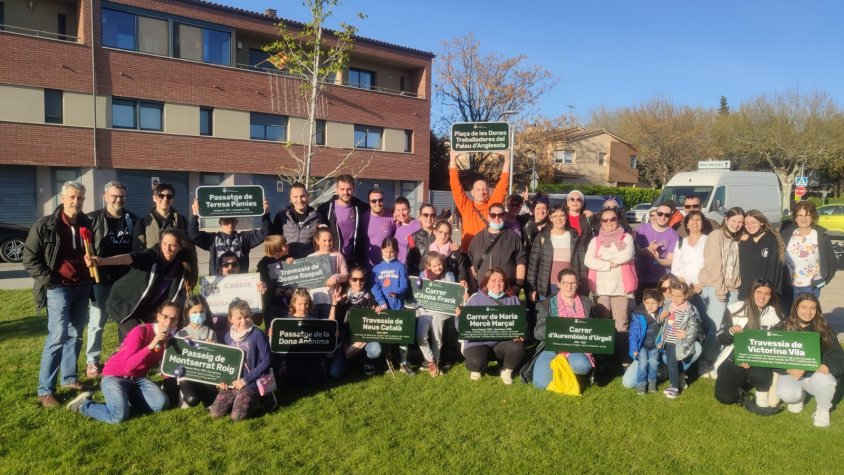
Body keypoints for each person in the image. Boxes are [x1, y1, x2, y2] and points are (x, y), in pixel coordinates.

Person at [23, 181, 94, 407]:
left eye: (80, 198)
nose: (76, 202)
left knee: (76, 335)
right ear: (62, 198)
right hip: (58, 288)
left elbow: (92, 251)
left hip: (82, 287)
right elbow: (30, 259)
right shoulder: (45, 225)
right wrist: (50, 280)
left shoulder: (87, 223)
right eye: (72, 197)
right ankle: (45, 390)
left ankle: (70, 378)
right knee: (57, 337)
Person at [66, 302, 180, 423]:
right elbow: (129, 366)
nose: (168, 322)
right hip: (115, 376)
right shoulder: (141, 331)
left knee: (161, 404)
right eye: (165, 316)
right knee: (118, 417)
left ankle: (126, 400)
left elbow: (167, 367)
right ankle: (85, 405)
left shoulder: (171, 340)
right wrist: (151, 346)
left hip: (138, 378)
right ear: (158, 316)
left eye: (174, 319)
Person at [89, 228, 194, 342]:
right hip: (126, 303)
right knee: (140, 337)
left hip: (150, 308)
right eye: (164, 243)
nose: (167, 249)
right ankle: (125, 355)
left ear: (179, 247)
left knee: (161, 334)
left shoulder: (181, 266)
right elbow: (129, 258)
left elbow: (177, 295)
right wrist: (103, 261)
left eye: (172, 245)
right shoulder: (151, 255)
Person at [85, 181, 138, 379]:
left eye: (122, 196)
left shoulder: (131, 219)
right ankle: (92, 361)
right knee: (97, 321)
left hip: (126, 279)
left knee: (124, 320)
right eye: (114, 196)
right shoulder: (92, 219)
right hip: (101, 279)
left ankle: (123, 356)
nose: (118, 200)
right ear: (105, 196)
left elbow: (137, 248)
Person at [713, 279, 784, 415]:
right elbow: (721, 337)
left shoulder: (775, 315)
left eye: (767, 294)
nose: (762, 297)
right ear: (752, 292)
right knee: (725, 397)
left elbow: (777, 345)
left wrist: (753, 359)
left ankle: (762, 393)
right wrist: (731, 332)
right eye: (758, 292)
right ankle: (742, 389)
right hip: (733, 356)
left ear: (771, 296)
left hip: (760, 359)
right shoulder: (734, 309)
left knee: (760, 373)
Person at [775, 293, 844, 428]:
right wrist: (787, 369)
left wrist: (828, 366)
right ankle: (797, 398)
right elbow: (772, 356)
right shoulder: (783, 327)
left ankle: (823, 410)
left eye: (812, 308)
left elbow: (838, 355)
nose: (808, 312)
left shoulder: (824, 328)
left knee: (826, 380)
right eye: (803, 307)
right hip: (793, 375)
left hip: (815, 375)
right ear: (796, 308)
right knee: (787, 394)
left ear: (817, 310)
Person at [698, 207, 745, 378]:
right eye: (733, 221)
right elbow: (712, 263)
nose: (736, 225)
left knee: (728, 327)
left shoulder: (736, 238)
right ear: (726, 219)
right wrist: (719, 288)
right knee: (716, 326)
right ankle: (704, 360)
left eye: (740, 222)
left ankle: (717, 359)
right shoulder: (716, 235)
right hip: (716, 286)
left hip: (733, 288)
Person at [584, 207, 636, 360]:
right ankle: (604, 358)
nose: (609, 222)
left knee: (621, 324)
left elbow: (626, 256)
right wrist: (608, 265)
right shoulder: (595, 240)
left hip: (621, 289)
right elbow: (589, 260)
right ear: (601, 222)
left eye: (612, 219)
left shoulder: (626, 238)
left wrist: (603, 256)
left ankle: (623, 358)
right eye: (605, 220)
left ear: (617, 219)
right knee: (602, 324)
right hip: (600, 290)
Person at [531, 269, 596, 390]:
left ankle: (577, 375)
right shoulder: (546, 304)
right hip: (552, 348)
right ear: (559, 284)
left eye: (573, 283)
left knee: (582, 365)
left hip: (578, 348)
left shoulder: (587, 303)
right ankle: (563, 370)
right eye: (565, 283)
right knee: (540, 385)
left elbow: (595, 329)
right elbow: (537, 333)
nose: (569, 286)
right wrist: (557, 326)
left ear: (577, 284)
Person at [458, 267, 525, 384]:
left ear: (505, 283)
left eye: (501, 280)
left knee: (517, 348)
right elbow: (460, 327)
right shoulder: (475, 299)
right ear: (486, 282)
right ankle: (476, 369)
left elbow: (520, 323)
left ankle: (506, 371)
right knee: (475, 362)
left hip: (502, 340)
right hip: (478, 341)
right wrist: (460, 317)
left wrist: (519, 333)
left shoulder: (513, 299)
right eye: (493, 280)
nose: (497, 283)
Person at [209, 299, 272, 421]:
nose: (244, 321)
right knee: (215, 414)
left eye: (247, 316)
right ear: (230, 319)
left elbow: (267, 360)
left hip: (252, 383)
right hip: (233, 384)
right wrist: (223, 380)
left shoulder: (257, 334)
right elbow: (225, 362)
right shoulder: (227, 337)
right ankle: (236, 400)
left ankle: (260, 401)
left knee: (236, 417)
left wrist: (246, 380)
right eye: (239, 318)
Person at [133, 183, 197, 285]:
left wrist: (192, 276)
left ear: (172, 199)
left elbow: (190, 250)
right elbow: (138, 251)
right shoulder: (143, 222)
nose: (165, 199)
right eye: (161, 196)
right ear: (154, 198)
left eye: (169, 196)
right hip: (153, 274)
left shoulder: (181, 221)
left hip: (176, 275)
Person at [414, 252, 466, 377]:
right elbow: (417, 291)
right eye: (434, 265)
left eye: (440, 264)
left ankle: (435, 363)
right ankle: (430, 360)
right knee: (420, 336)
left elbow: (454, 294)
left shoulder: (449, 275)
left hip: (440, 312)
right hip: (425, 311)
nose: (438, 268)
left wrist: (461, 289)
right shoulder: (422, 275)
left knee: (437, 340)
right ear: (428, 266)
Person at [188, 197, 270, 275]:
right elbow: (193, 235)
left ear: (236, 222)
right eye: (226, 221)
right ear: (221, 223)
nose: (230, 224)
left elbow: (265, 232)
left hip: (241, 282)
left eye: (233, 221)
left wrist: (265, 213)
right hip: (218, 281)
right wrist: (195, 214)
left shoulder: (245, 238)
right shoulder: (212, 238)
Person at [448, 150, 511, 252]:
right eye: (478, 189)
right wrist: (452, 158)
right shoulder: (465, 206)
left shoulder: (492, 206)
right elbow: (455, 185)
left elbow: (503, 185)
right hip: (467, 252)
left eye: (485, 189)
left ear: (488, 192)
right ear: (472, 192)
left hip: (488, 253)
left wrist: (507, 160)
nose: (482, 192)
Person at [328, 267, 383, 377]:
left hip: (363, 339)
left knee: (375, 349)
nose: (358, 282)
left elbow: (374, 326)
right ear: (349, 280)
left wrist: (377, 312)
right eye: (355, 279)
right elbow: (331, 323)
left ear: (365, 280)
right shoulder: (342, 298)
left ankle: (367, 362)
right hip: (345, 341)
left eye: (361, 279)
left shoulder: (370, 298)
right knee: (335, 373)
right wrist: (334, 304)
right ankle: (353, 360)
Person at [165, 295, 218, 408]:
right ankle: (183, 394)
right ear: (188, 313)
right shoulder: (181, 333)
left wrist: (212, 348)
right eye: (194, 312)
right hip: (186, 374)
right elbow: (175, 357)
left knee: (212, 402)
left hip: (204, 374)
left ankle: (203, 394)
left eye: (201, 312)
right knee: (192, 400)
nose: (198, 315)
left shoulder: (210, 332)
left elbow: (215, 359)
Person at [782, 201, 838, 304]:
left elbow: (833, 263)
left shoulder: (821, 236)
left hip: (810, 287)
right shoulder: (787, 234)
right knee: (789, 317)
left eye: (807, 215)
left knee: (806, 317)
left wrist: (822, 281)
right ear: (795, 218)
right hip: (788, 286)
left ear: (812, 218)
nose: (803, 219)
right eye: (800, 215)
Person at [371, 237, 412, 374]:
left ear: (397, 251)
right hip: (384, 308)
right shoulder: (376, 269)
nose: (389, 254)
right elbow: (375, 288)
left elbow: (404, 284)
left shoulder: (401, 266)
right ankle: (389, 363)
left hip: (398, 307)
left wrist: (398, 292)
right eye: (387, 251)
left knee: (402, 337)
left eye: (392, 252)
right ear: (382, 250)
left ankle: (404, 363)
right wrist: (382, 302)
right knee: (386, 336)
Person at [467, 203, 526, 295]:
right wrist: (472, 284)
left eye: (500, 215)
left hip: (507, 291)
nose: (497, 218)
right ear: (488, 216)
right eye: (493, 215)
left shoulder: (513, 237)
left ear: (505, 216)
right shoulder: (478, 238)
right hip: (483, 291)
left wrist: (518, 286)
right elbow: (470, 262)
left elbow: (521, 262)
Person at [527, 204, 580, 303]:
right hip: (547, 286)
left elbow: (581, 263)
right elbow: (533, 264)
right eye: (555, 216)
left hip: (568, 286)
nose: (558, 219)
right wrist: (532, 288)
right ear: (550, 218)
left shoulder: (574, 236)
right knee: (546, 317)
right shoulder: (542, 237)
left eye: (561, 216)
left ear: (566, 216)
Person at [659, 280, 701, 399]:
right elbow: (661, 321)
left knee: (672, 365)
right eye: (673, 295)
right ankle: (675, 382)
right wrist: (661, 317)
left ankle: (675, 388)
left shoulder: (689, 310)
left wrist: (686, 334)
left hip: (677, 342)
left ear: (686, 295)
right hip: (667, 340)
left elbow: (694, 327)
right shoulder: (667, 304)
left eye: (679, 296)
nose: (675, 298)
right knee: (671, 364)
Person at [316, 174, 368, 268]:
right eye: (342, 189)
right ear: (337, 190)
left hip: (353, 261)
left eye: (349, 189)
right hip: (331, 259)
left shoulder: (361, 207)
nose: (346, 192)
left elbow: (377, 211)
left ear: (353, 189)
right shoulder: (324, 209)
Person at [282, 289, 328, 385]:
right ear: (294, 303)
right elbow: (281, 342)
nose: (303, 307)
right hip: (293, 358)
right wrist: (273, 334)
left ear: (309, 303)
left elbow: (323, 337)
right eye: (299, 304)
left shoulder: (314, 319)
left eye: (306, 304)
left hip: (311, 357)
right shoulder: (286, 320)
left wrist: (333, 333)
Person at [634, 201, 680, 297]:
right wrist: (648, 249)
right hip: (641, 277)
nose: (663, 217)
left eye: (667, 215)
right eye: (660, 214)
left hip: (661, 280)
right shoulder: (642, 228)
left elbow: (671, 260)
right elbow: (635, 253)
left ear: (671, 216)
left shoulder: (674, 235)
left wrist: (658, 260)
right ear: (656, 214)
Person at [737, 210, 784, 301]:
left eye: (753, 222)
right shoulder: (744, 240)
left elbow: (773, 268)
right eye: (746, 223)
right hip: (744, 290)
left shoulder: (771, 240)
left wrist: (769, 290)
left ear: (762, 222)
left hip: (762, 291)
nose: (750, 226)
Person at [271, 182, 321, 259]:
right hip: (287, 263)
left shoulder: (317, 217)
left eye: (302, 196)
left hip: (309, 263)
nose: (299, 200)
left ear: (307, 196)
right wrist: (284, 257)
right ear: (290, 198)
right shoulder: (282, 216)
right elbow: (274, 242)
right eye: (295, 197)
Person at [308, 227, 349, 319]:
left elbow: (345, 275)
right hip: (313, 299)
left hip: (330, 299)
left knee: (328, 327)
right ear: (317, 241)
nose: (328, 243)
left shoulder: (338, 255)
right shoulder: (310, 257)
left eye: (330, 240)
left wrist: (335, 277)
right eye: (324, 240)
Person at [629, 289, 663, 394]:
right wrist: (634, 349)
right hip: (642, 346)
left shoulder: (663, 315)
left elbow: (665, 331)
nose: (650, 306)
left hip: (655, 346)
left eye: (653, 303)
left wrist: (662, 342)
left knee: (654, 363)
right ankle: (641, 384)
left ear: (660, 303)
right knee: (642, 363)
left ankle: (652, 382)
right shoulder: (638, 316)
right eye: (647, 303)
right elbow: (633, 334)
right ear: (643, 302)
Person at [256, 235, 294, 322]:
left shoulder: (288, 258)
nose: (288, 246)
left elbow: (296, 276)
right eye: (284, 245)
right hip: (271, 304)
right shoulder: (263, 264)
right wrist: (273, 290)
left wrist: (293, 263)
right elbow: (262, 282)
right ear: (276, 249)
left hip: (289, 303)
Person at [565, 190, 594, 294]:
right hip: (566, 258)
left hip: (583, 260)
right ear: (567, 202)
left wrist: (592, 217)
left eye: (578, 200)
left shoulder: (587, 219)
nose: (575, 202)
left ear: (582, 203)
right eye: (572, 199)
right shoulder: (562, 218)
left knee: (581, 291)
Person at [362, 188, 397, 267]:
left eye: (380, 200)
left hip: (388, 265)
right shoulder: (363, 218)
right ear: (369, 202)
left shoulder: (392, 217)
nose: (378, 203)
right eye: (374, 201)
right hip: (368, 266)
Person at [428, 220, 468, 287]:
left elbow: (461, 268)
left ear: (450, 235)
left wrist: (462, 279)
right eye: (440, 232)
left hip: (449, 284)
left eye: (447, 233)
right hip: (431, 285)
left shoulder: (454, 251)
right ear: (435, 232)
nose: (443, 236)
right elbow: (422, 267)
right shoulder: (429, 248)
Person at [406, 203, 438, 275]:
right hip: (420, 276)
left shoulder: (441, 235)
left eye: (432, 215)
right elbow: (409, 263)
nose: (429, 218)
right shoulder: (411, 238)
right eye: (425, 215)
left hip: (439, 276)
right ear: (419, 217)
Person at [393, 197, 421, 265]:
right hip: (398, 265)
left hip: (413, 266)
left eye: (404, 210)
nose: (401, 213)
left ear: (409, 210)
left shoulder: (418, 225)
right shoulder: (395, 225)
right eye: (398, 210)